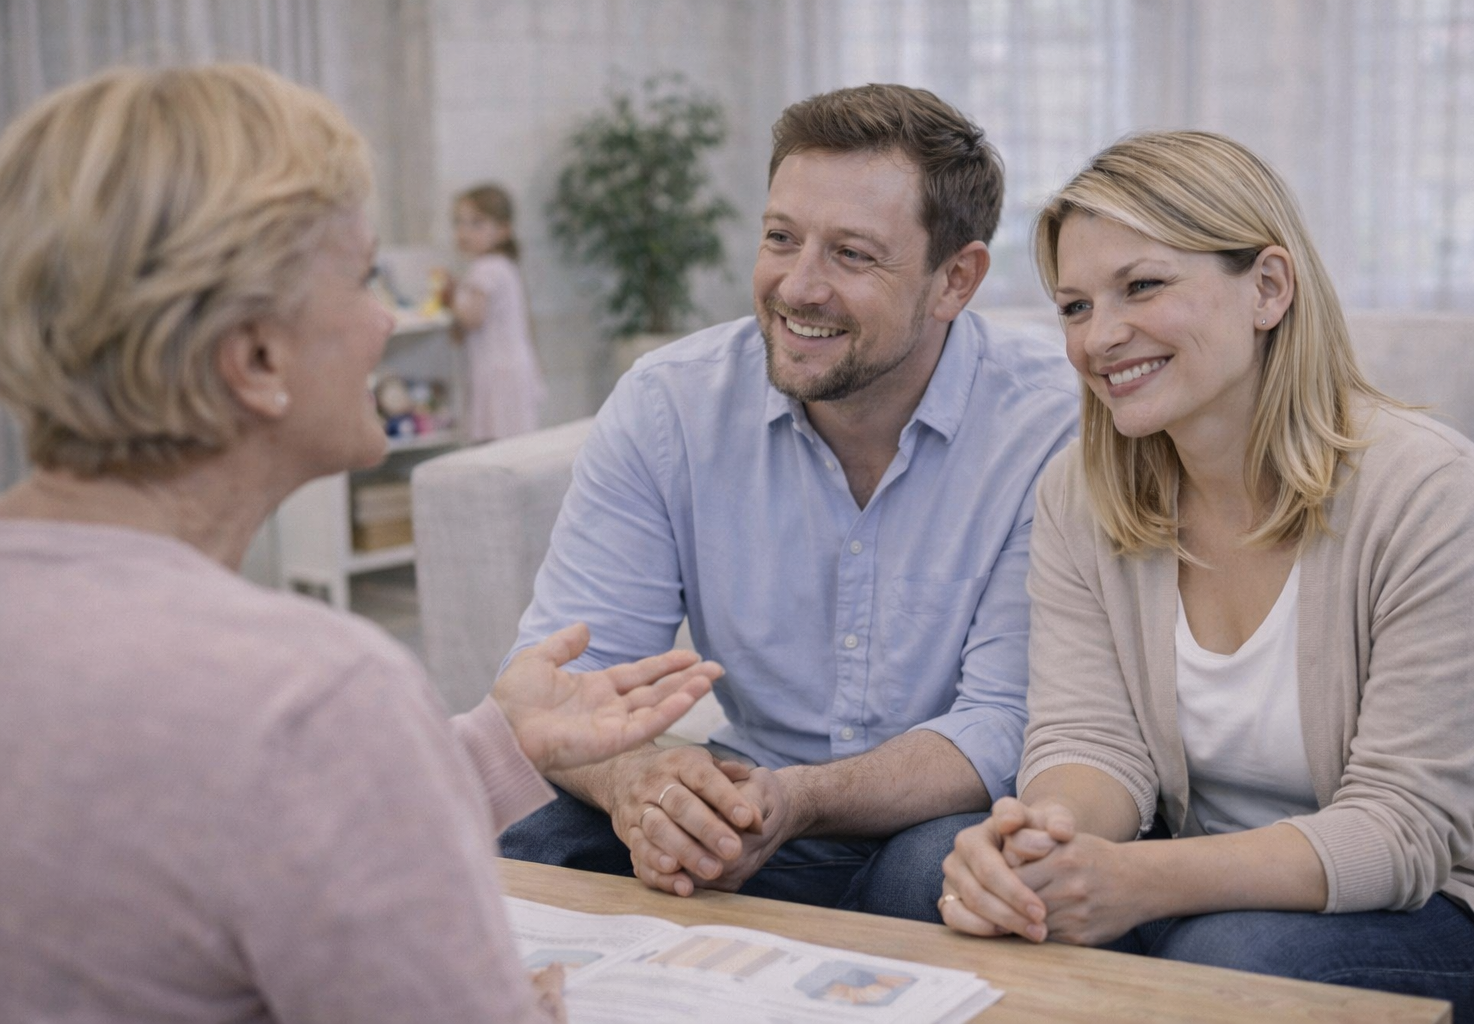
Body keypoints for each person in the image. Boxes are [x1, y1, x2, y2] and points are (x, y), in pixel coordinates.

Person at [0, 64, 722, 1023]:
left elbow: (211, 832)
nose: (386, 321)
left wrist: (497, 743)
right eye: (362, 279)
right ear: (258, 358)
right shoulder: (313, 695)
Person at [938, 130, 1474, 1022]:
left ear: (1268, 288)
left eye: (1143, 286)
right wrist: (1040, 843)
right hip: (1195, 883)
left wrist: (1136, 879)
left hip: (1452, 906)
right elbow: (1091, 740)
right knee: (929, 870)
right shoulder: (1080, 492)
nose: (1100, 336)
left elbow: (1400, 832)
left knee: (1230, 958)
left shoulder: (1434, 494)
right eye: (1074, 306)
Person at [497, 83, 1080, 922]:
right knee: (531, 837)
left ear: (956, 279)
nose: (798, 287)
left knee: (940, 878)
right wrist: (643, 785)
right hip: (750, 792)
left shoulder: (1051, 426)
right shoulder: (669, 406)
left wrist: (797, 800)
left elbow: (1003, 721)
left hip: (941, 811)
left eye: (852, 254)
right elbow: (568, 687)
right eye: (781, 238)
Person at [446, 183, 547, 441]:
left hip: (499, 372)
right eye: (459, 222)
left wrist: (450, 298)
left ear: (503, 230)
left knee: (497, 439)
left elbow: (473, 318)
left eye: (476, 223)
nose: (464, 231)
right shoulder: (502, 265)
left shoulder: (486, 268)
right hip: (509, 367)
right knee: (513, 439)